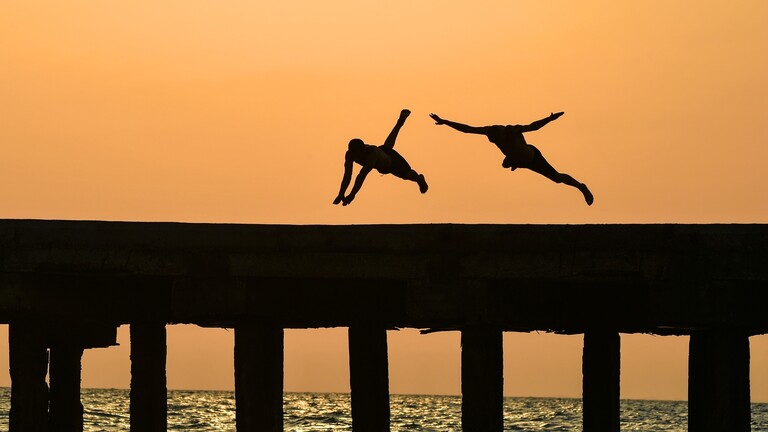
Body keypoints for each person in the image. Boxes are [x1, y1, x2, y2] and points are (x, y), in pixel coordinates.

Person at [429, 111, 594, 205]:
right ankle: (514, 162)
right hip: (516, 158)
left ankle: (581, 187)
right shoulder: (488, 130)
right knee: (505, 163)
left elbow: (533, 127)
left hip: (532, 158)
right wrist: (444, 121)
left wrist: (549, 119)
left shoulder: (512, 130)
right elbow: (466, 129)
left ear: (502, 134)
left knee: (557, 178)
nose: (496, 143)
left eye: (497, 141)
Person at [334, 109, 428, 206]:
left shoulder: (371, 154)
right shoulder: (349, 154)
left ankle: (420, 179)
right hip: (382, 154)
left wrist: (352, 194)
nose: (356, 158)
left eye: (358, 155)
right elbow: (347, 175)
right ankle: (400, 122)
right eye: (354, 155)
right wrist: (341, 194)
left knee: (407, 175)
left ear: (362, 151)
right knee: (387, 147)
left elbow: (361, 175)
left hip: (392, 162)